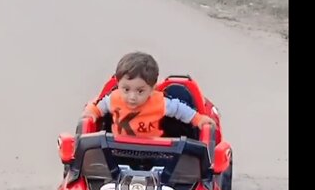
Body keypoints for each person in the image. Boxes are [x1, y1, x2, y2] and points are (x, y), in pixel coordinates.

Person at [81, 52, 216, 138]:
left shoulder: (160, 102)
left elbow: (180, 110)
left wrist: (198, 119)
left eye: (140, 91)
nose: (132, 97)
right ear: (118, 83)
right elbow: (99, 108)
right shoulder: (113, 99)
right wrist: (91, 112)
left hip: (155, 151)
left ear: (152, 88)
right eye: (126, 90)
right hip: (118, 149)